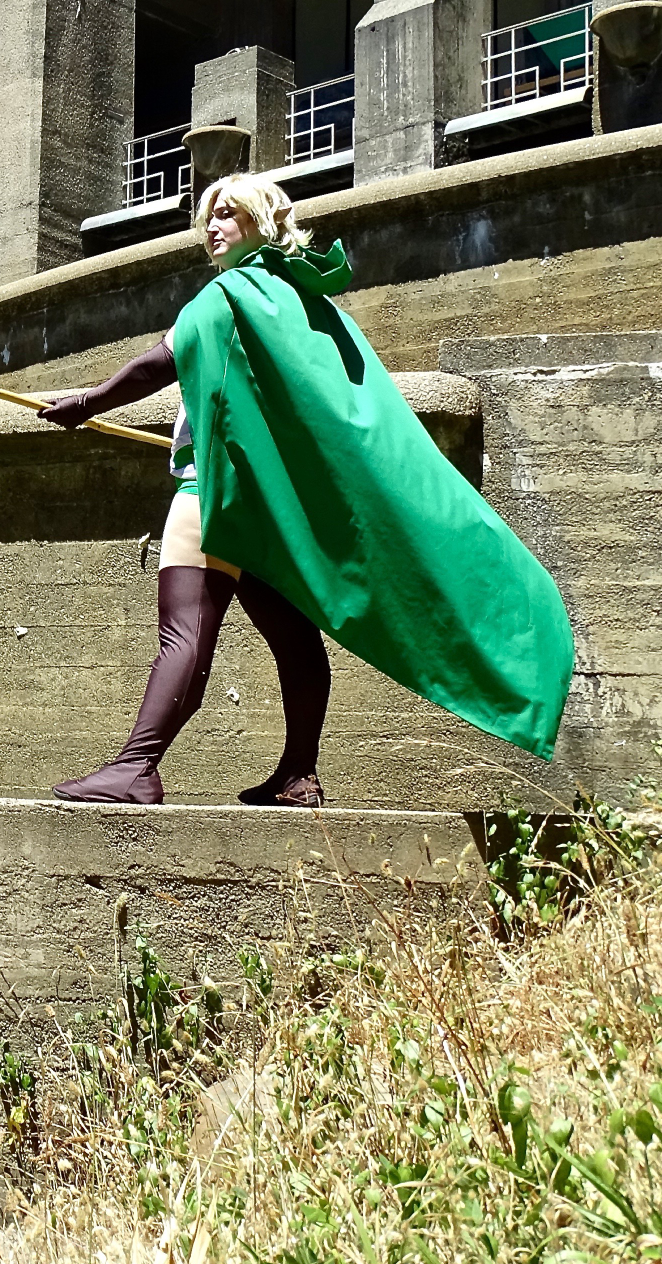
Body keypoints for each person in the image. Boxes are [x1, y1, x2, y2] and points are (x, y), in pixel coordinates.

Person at [38, 173, 575, 806]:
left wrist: (89, 401)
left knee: (184, 630)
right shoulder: (306, 304)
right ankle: (298, 773)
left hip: (212, 495)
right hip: (273, 515)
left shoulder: (226, 296)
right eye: (207, 216)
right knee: (293, 637)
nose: (212, 228)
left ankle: (136, 766)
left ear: (260, 223)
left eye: (227, 215)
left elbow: (161, 360)